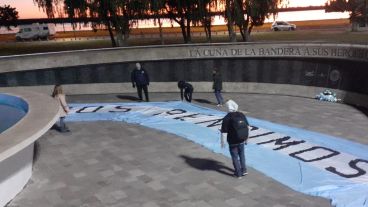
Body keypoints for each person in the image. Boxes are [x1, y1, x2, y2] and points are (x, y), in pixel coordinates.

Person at [220, 99, 250, 179]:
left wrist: (223, 143)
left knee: (235, 157)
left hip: (232, 141)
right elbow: (248, 127)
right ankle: (244, 170)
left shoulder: (227, 117)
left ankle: (238, 173)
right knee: (242, 155)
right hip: (242, 139)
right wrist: (247, 139)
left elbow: (224, 132)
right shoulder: (241, 115)